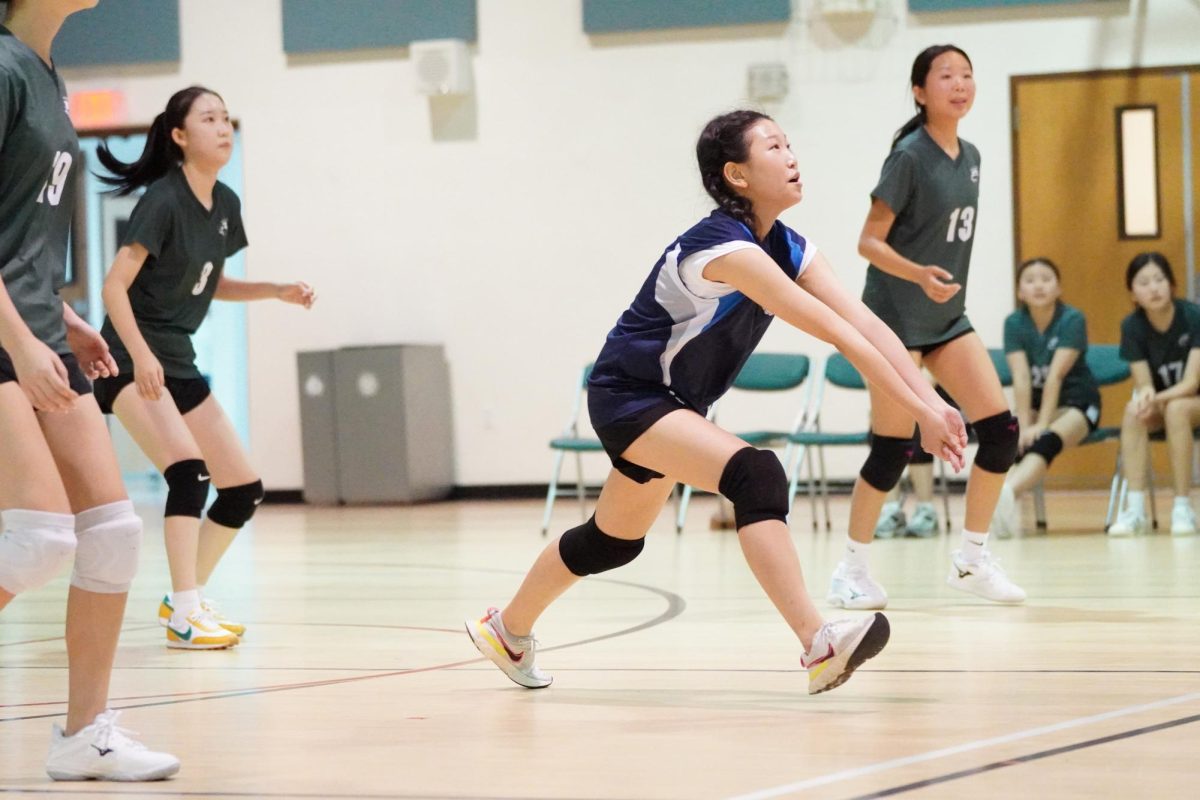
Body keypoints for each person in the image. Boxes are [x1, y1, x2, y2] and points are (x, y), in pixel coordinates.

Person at [466, 109, 968, 696]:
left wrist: (929, 402)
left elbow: (866, 323)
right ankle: (817, 642)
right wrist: (924, 411)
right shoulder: (725, 249)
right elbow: (839, 335)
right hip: (633, 397)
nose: (790, 155)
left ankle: (508, 628)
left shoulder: (788, 245)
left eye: (789, 143)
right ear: (737, 174)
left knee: (612, 541)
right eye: (774, 146)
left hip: (672, 404)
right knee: (757, 475)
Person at [0, 0, 179, 781]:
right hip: (5, 333)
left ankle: (83, 735)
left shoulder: (44, 75)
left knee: (112, 533)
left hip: (36, 324)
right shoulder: (2, 69)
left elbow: (19, 229)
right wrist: (18, 339)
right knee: (37, 538)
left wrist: (64, 315)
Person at [93, 86, 316, 649]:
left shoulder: (225, 205)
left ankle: (181, 600)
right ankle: (187, 613)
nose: (223, 127)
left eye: (226, 118)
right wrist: (139, 356)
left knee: (242, 489)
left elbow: (207, 281)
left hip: (178, 357)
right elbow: (113, 285)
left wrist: (275, 291)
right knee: (189, 472)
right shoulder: (163, 200)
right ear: (179, 135)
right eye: (208, 118)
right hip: (128, 358)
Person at [827, 44, 1026, 611]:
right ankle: (851, 569)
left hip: (943, 319)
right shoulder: (909, 156)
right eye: (946, 76)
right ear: (920, 91)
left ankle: (971, 560)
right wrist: (918, 274)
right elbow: (867, 241)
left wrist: (935, 287)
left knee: (1002, 431)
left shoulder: (973, 155)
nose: (960, 84)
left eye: (967, 74)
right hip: (891, 321)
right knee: (893, 449)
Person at [990, 257, 1100, 538]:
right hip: (1038, 405)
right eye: (1030, 280)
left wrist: (1041, 425)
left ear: (1059, 288)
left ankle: (1007, 493)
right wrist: (1026, 426)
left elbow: (1055, 377)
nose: (1038, 285)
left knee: (1047, 438)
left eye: (1046, 279)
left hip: (1078, 401)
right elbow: (1022, 378)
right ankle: (1003, 500)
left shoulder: (1072, 319)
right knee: (1013, 437)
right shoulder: (1014, 323)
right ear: (1020, 292)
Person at [1107, 252, 1200, 536]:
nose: (1154, 287)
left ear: (1172, 284)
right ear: (1133, 293)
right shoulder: (1132, 326)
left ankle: (1182, 508)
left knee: (1178, 408)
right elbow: (1144, 382)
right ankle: (1135, 511)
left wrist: (1155, 398)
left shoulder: (1193, 316)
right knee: (1134, 410)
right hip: (1168, 404)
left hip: (1191, 400)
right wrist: (1146, 396)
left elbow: (1191, 383)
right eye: (1144, 282)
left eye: (1159, 279)